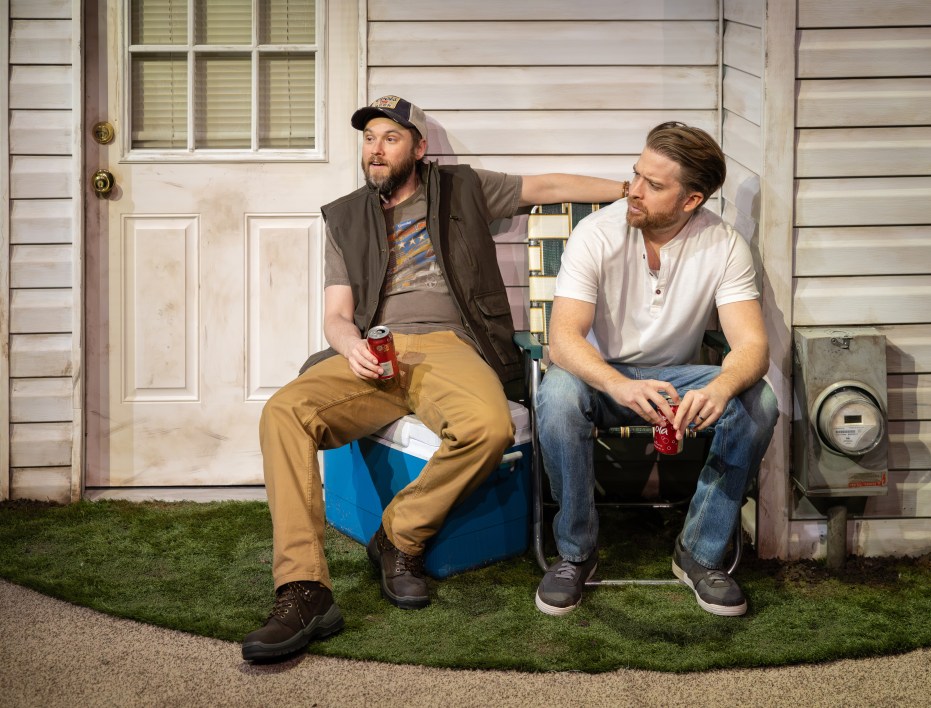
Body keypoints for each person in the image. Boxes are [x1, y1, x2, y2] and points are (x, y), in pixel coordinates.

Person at [242, 95, 626, 661]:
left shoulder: (463, 188)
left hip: (450, 346)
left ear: (419, 148)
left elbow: (545, 185)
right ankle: (304, 590)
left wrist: (629, 191)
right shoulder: (345, 218)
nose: (376, 149)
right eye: (369, 138)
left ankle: (399, 537)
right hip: (376, 349)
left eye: (391, 138)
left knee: (489, 429)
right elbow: (336, 314)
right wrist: (350, 346)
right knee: (283, 412)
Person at [533, 122, 779, 618]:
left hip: (677, 379)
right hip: (599, 377)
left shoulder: (724, 245)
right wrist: (618, 384)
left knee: (760, 401)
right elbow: (563, 340)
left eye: (654, 184)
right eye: (636, 174)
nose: (634, 190)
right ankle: (575, 553)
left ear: (691, 200)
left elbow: (753, 345)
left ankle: (700, 553)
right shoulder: (595, 233)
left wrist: (722, 385)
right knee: (557, 395)